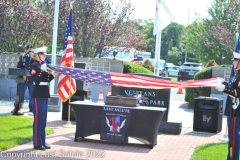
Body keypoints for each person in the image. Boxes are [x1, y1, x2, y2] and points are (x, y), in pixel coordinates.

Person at [30, 46, 55, 151]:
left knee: (43, 121)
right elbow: (37, 80)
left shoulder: (42, 66)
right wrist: (42, 70)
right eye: (43, 54)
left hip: (44, 94)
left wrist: (53, 74)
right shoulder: (34, 66)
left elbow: (47, 79)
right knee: (38, 120)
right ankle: (37, 143)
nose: (45, 56)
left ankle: (42, 141)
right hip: (38, 95)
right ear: (37, 56)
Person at [216, 56, 240, 160]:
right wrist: (224, 83)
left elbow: (238, 93)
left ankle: (233, 158)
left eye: (235, 61)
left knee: (234, 138)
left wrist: (224, 89)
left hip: (236, 111)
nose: (233, 62)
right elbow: (232, 87)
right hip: (232, 110)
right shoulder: (237, 74)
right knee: (231, 138)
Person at [12, 44, 35, 115]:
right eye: (28, 49)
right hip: (23, 78)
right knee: (21, 93)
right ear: (26, 50)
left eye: (31, 48)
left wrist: (33, 57)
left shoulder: (35, 58)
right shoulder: (22, 57)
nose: (30, 50)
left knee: (32, 93)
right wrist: (23, 74)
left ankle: (32, 107)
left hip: (31, 78)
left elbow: (36, 67)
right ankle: (20, 107)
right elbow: (19, 67)